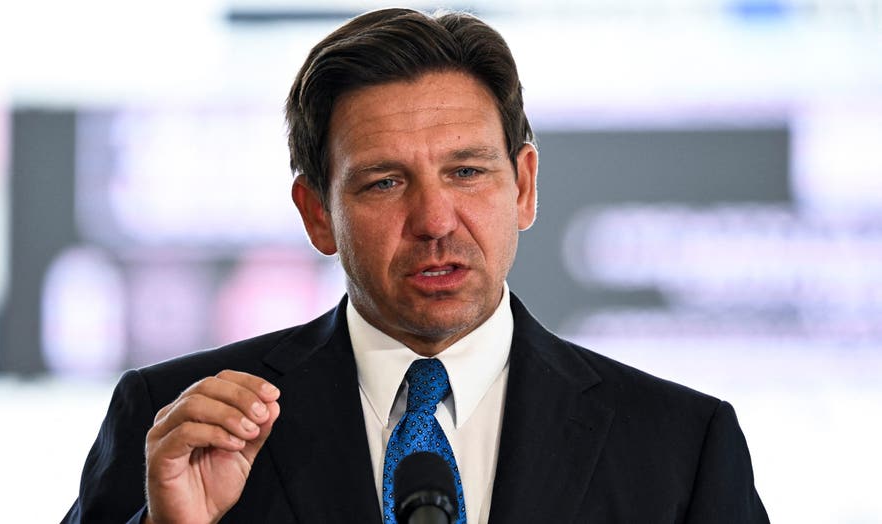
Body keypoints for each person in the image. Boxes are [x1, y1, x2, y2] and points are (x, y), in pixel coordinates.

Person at [63, 7, 768, 524]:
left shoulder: (680, 446)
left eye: (466, 171)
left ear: (522, 187)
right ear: (316, 214)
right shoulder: (175, 424)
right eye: (384, 183)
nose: (435, 220)